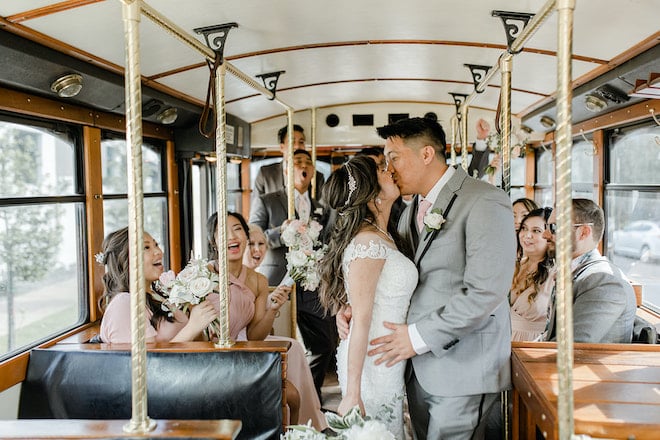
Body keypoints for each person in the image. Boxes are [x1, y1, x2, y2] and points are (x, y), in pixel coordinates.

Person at [338, 117, 516, 439]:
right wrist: (357, 308)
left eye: (394, 158)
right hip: (414, 370)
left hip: (463, 366)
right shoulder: (411, 209)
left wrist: (417, 337)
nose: (389, 170)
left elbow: (485, 293)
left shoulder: (484, 201)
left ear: (426, 155)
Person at [319, 156, 416, 438]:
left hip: (388, 356)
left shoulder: (384, 235)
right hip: (373, 361)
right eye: (382, 169)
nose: (390, 171)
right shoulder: (367, 244)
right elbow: (361, 319)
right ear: (371, 191)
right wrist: (352, 393)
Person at [207, 211, 326, 429]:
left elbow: (255, 336)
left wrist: (272, 309)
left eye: (237, 229)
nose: (232, 237)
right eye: (223, 232)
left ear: (245, 235)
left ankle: (299, 430)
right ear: (213, 241)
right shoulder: (203, 275)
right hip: (210, 357)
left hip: (245, 352)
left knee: (294, 388)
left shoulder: (259, 281)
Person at [250, 149, 337, 401]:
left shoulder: (321, 204)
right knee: (279, 344)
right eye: (297, 162)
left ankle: (311, 396)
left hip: (311, 284)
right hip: (277, 281)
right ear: (286, 169)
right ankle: (278, 398)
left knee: (324, 343)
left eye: (308, 162)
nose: (303, 166)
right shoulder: (268, 200)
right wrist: (283, 231)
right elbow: (256, 237)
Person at [98, 227, 217, 343]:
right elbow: (148, 361)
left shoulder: (159, 294)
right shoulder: (124, 304)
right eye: (146, 247)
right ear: (125, 259)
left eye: (156, 245)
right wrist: (192, 327)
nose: (159, 252)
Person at [541, 198, 637, 343]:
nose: (545, 235)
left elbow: (573, 346)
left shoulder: (604, 281)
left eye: (554, 227)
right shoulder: (576, 272)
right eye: (546, 227)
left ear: (584, 232)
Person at [510, 208, 555, 342]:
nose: (527, 235)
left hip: (531, 344)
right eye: (524, 228)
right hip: (501, 340)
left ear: (549, 235)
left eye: (536, 231)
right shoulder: (513, 266)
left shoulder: (554, 275)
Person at [252, 124, 325, 200]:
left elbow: (321, 207)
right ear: (282, 147)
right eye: (292, 142)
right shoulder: (265, 173)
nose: (297, 146)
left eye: (301, 142)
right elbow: (256, 205)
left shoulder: (317, 177)